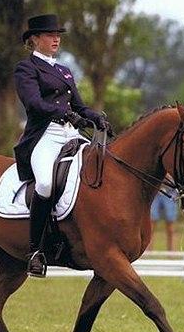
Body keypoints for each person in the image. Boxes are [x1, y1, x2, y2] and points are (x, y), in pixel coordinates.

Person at [14, 14, 111, 277]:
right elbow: (34, 104)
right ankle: (35, 250)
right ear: (34, 39)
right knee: (45, 184)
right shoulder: (27, 69)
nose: (56, 38)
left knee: (100, 167)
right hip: (44, 135)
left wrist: (95, 116)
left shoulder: (64, 70)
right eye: (49, 34)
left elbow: (79, 106)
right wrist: (65, 114)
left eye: (58, 34)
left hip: (71, 134)